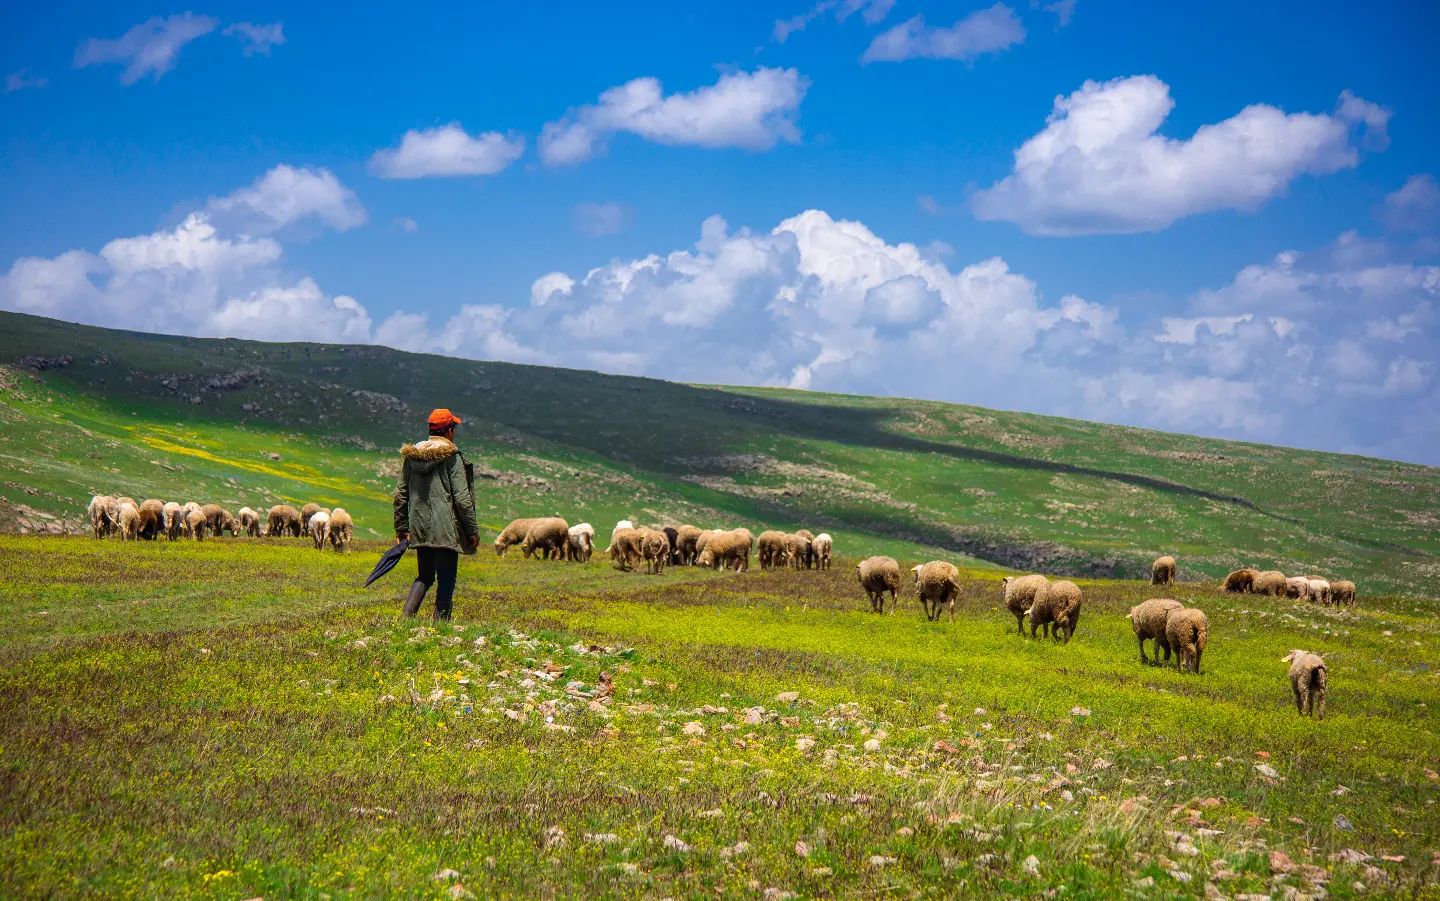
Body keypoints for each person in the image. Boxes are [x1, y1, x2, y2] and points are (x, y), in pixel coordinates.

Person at [393, 408, 479, 620]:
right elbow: (462, 498)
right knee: (447, 577)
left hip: (419, 527)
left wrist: (402, 527)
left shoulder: (412, 457)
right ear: (449, 430)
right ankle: (440, 627)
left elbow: (400, 493)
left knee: (424, 576)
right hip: (445, 528)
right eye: (454, 428)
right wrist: (472, 529)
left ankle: (405, 620)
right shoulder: (452, 456)